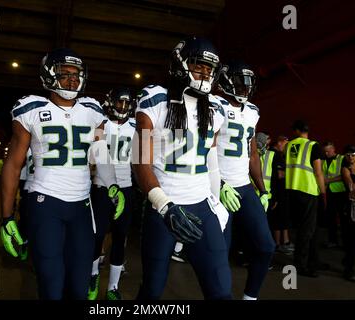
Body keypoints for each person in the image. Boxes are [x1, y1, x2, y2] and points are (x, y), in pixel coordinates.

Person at [0, 48, 125, 300]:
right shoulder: (31, 108)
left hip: (81, 205)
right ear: (48, 75)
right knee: (51, 284)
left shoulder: (92, 109)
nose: (72, 79)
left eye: (76, 74)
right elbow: (13, 164)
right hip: (45, 202)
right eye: (64, 73)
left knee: (79, 287)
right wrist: (6, 216)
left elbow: (101, 153)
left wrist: (112, 185)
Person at [133, 36, 232, 300]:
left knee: (221, 292)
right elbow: (140, 161)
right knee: (152, 289)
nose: (205, 73)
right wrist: (164, 205)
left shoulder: (216, 108)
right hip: (163, 206)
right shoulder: (155, 100)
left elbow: (210, 159)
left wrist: (215, 197)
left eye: (210, 69)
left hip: (202, 205)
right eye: (199, 65)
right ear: (180, 64)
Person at [215, 60, 275, 300]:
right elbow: (205, 149)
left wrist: (263, 190)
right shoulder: (215, 106)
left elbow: (252, 154)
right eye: (241, 83)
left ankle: (249, 298)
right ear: (227, 82)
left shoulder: (252, 111)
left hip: (243, 186)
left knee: (266, 246)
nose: (245, 88)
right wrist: (217, 184)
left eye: (248, 84)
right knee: (221, 252)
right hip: (219, 186)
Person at [88, 87, 135, 300]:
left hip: (126, 186)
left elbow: (142, 160)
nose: (123, 108)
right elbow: (92, 158)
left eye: (126, 104)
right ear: (110, 102)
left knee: (120, 237)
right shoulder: (101, 124)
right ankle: (93, 274)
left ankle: (113, 287)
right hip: (101, 188)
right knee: (97, 236)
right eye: (119, 103)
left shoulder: (136, 126)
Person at [285, 120, 326, 277]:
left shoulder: (289, 146)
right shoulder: (313, 146)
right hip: (308, 190)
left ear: (296, 130)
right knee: (306, 230)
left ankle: (313, 260)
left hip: (292, 190)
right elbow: (318, 172)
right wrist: (323, 193)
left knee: (309, 229)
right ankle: (300, 265)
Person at [322, 141, 347, 248]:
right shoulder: (323, 161)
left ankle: (346, 243)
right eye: (325, 151)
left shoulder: (342, 159)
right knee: (330, 218)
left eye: (328, 151)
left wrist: (329, 180)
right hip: (329, 193)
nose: (327, 153)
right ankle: (333, 241)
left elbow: (345, 175)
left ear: (334, 149)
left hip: (341, 192)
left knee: (344, 219)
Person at [339, 145, 355, 281]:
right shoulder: (345, 169)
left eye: (353, 154)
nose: (350, 157)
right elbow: (352, 189)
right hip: (352, 208)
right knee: (352, 240)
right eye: (348, 155)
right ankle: (349, 271)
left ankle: (348, 263)